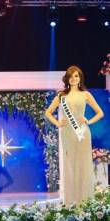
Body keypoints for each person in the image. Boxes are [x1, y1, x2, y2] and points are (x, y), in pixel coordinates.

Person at [45, 65, 104, 204]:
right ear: (67, 78)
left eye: (76, 76)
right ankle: (71, 201)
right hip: (67, 133)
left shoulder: (85, 94)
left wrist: (88, 121)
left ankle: (85, 201)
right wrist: (58, 123)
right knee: (70, 165)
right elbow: (48, 113)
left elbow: (100, 113)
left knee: (83, 165)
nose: (73, 78)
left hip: (82, 132)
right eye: (71, 76)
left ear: (80, 78)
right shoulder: (61, 95)